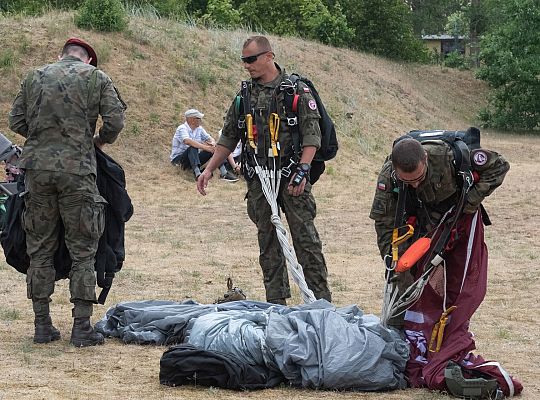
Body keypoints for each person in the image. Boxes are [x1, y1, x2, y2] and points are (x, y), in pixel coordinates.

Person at [369, 136, 521, 397]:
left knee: (457, 287)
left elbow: (500, 166)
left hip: (457, 223)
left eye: (419, 177)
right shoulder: (389, 178)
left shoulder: (449, 157)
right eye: (409, 181)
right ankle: (405, 344)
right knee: (406, 282)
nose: (415, 183)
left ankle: (446, 336)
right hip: (420, 227)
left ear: (426, 160)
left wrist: (468, 202)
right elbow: (384, 224)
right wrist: (395, 262)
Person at [8, 37, 126, 347]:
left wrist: (44, 138)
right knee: (83, 247)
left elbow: (16, 120)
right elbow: (115, 121)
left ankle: (42, 325)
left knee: (40, 247)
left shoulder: (35, 76)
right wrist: (96, 139)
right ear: (88, 60)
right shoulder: (96, 78)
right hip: (78, 171)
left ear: (61, 56)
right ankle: (81, 326)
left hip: (37, 170)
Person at [197, 35, 331, 305]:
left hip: (292, 175)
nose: (247, 65)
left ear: (269, 56)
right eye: (243, 60)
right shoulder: (244, 96)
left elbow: (311, 136)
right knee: (268, 242)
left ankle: (321, 303)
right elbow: (228, 137)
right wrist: (209, 168)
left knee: (305, 240)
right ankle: (276, 302)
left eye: (251, 59)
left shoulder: (296, 91)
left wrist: (303, 170)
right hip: (260, 178)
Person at [170, 110, 238, 182]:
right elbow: (187, 141)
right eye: (199, 118)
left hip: (193, 159)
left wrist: (212, 143)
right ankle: (198, 174)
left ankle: (224, 173)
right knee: (193, 147)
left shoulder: (199, 129)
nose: (201, 121)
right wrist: (205, 147)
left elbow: (209, 138)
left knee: (213, 149)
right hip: (179, 160)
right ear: (192, 120)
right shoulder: (182, 128)